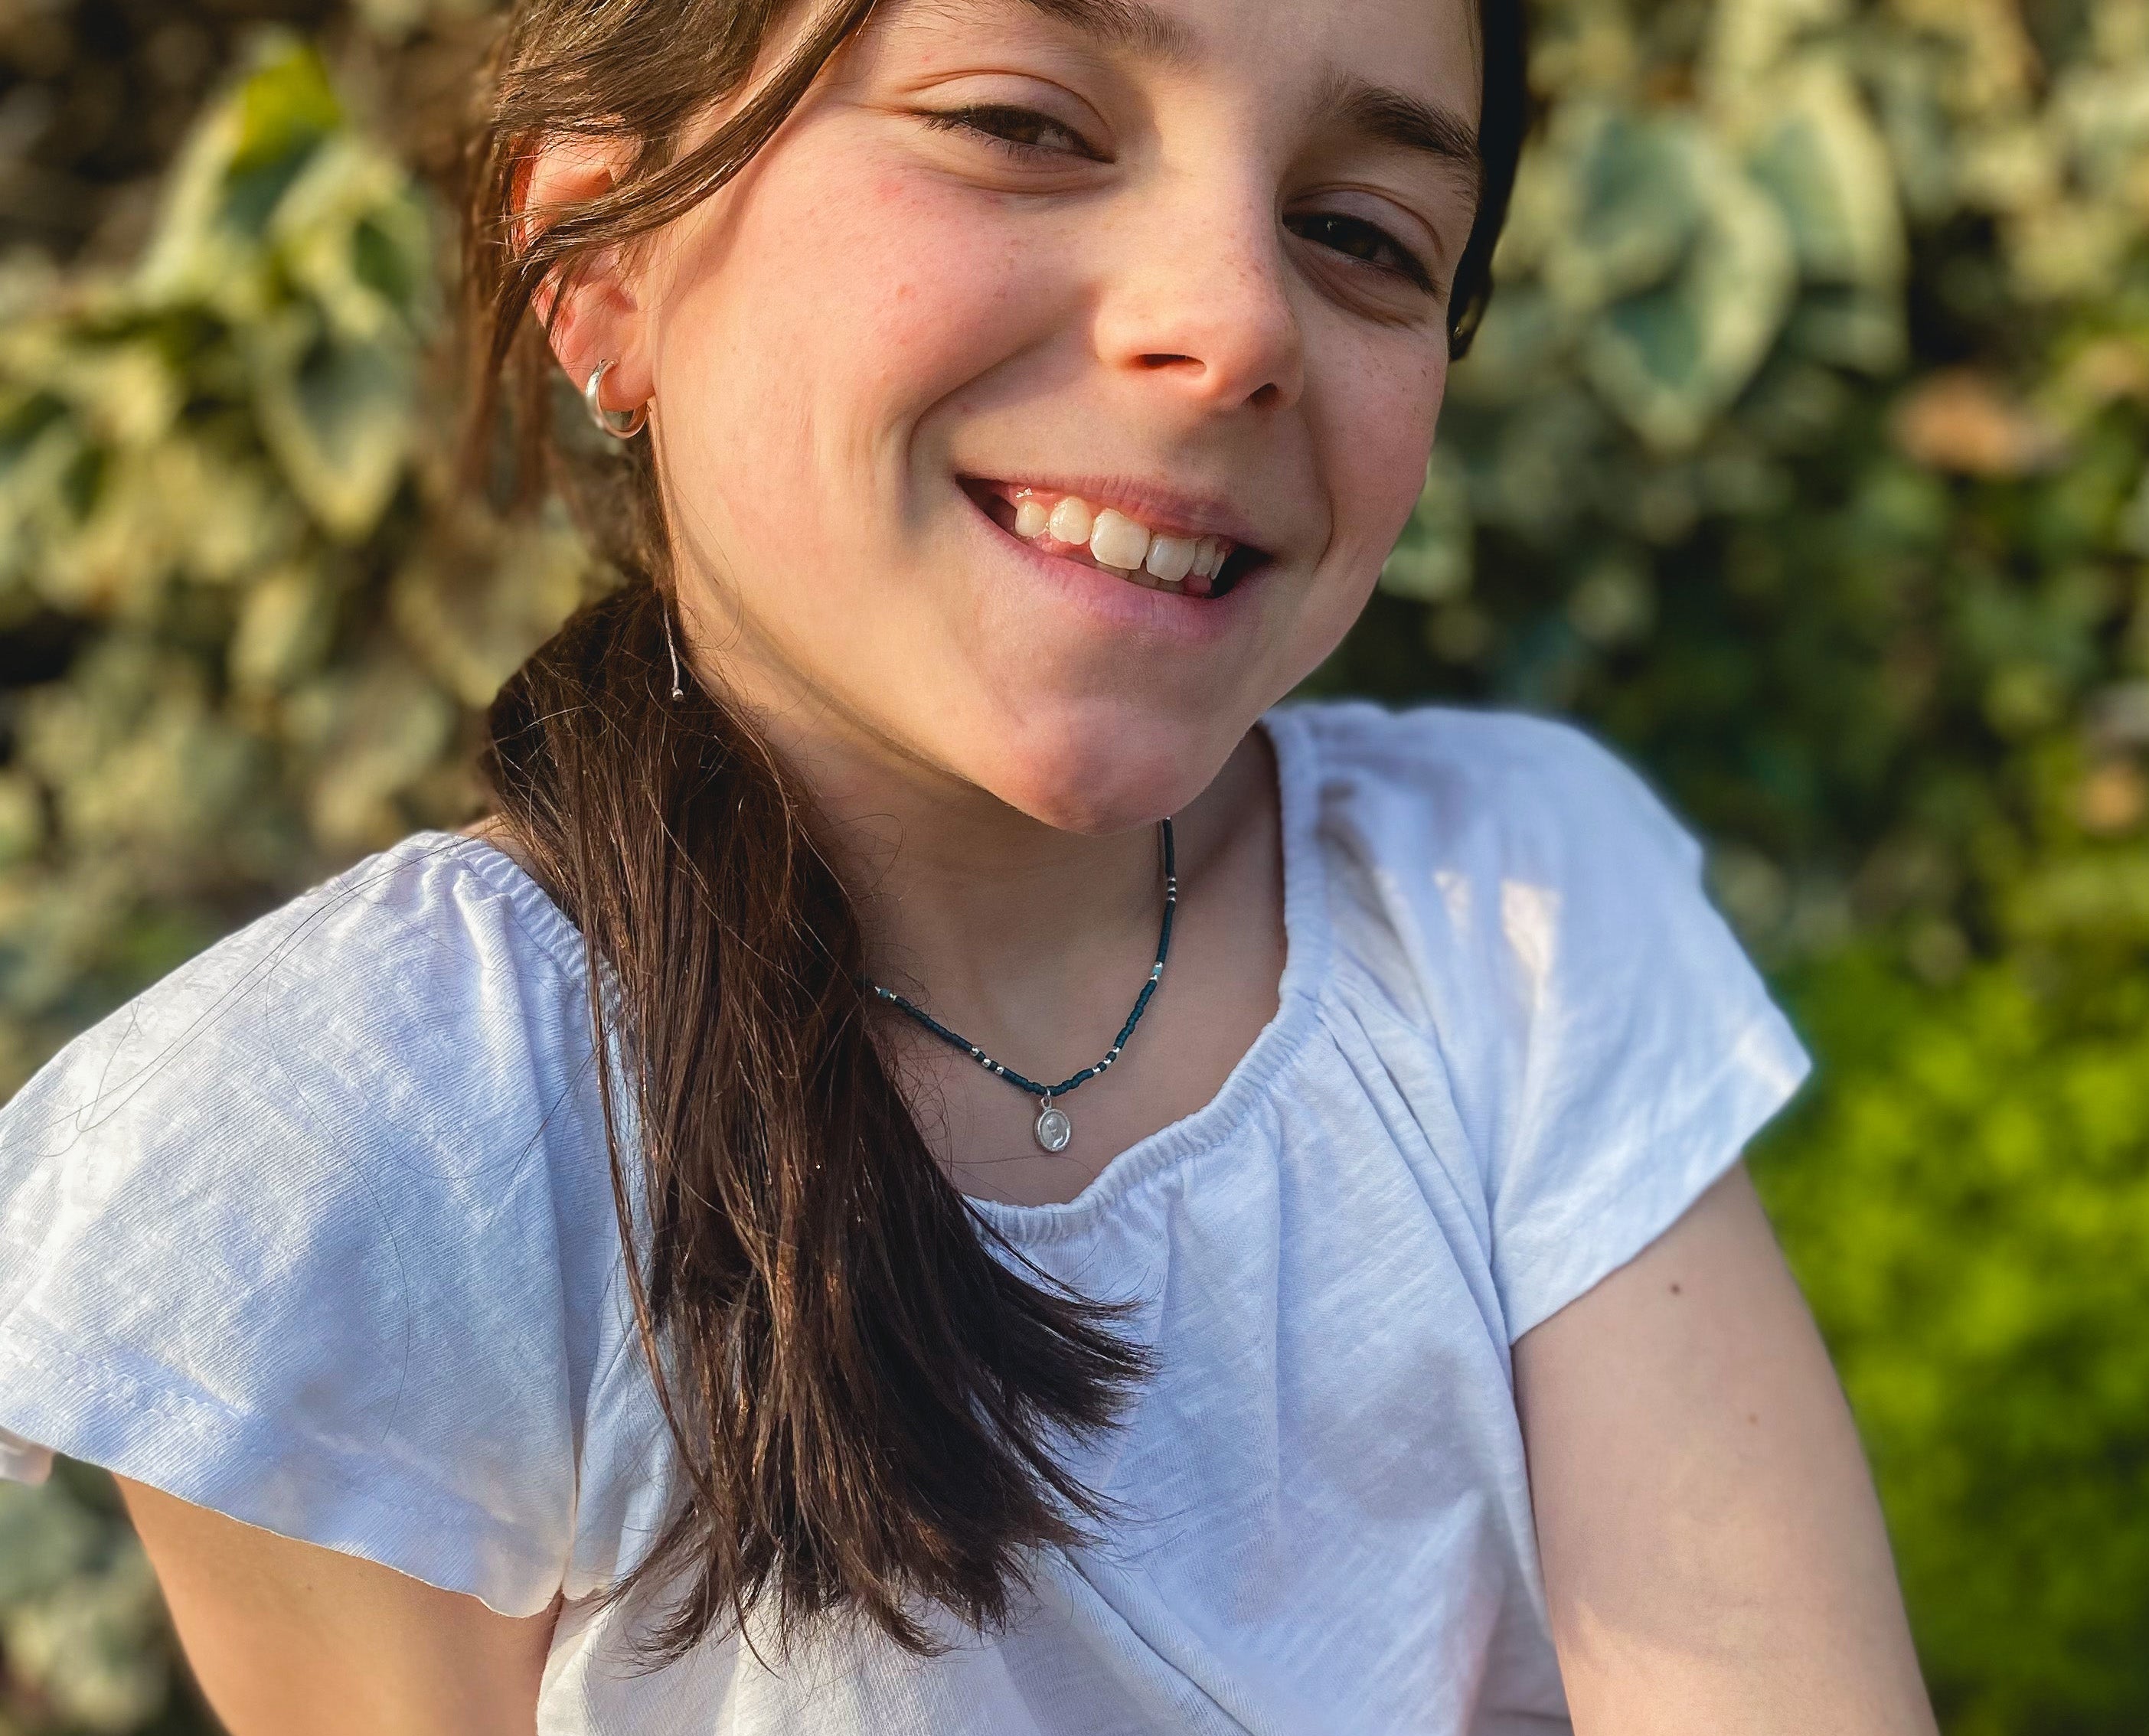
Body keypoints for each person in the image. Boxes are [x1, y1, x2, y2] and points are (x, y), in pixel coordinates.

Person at [0, 0, 1940, 1729]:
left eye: (1362, 233)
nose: (1236, 324)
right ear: (601, 261)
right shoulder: (352, 1152)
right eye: (1022, 123)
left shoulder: (1511, 912)